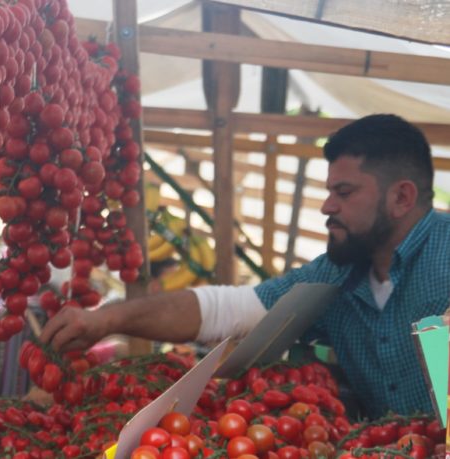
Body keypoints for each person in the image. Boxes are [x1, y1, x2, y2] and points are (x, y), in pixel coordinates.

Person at [41, 114, 450, 418]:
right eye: (329, 192)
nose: (328, 206)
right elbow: (229, 310)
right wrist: (104, 320)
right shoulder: (335, 274)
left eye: (343, 192)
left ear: (401, 198)